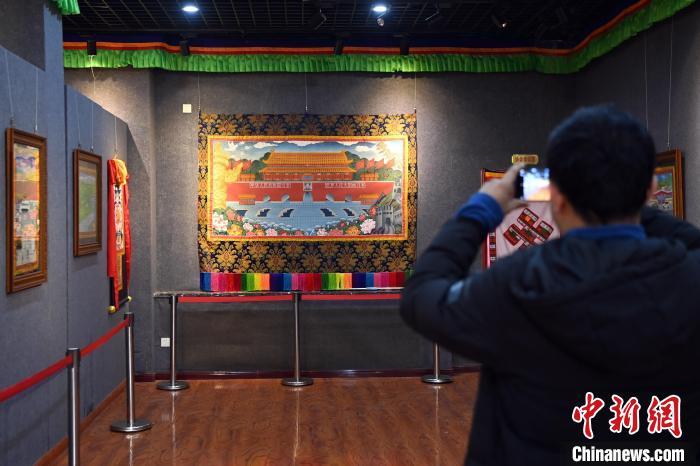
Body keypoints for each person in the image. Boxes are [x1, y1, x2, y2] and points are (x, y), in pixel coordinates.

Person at [400, 106, 700, 465]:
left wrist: (484, 206)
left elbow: (422, 295)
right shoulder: (689, 276)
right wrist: (620, 196)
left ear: (556, 196)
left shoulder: (519, 283)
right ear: (650, 189)